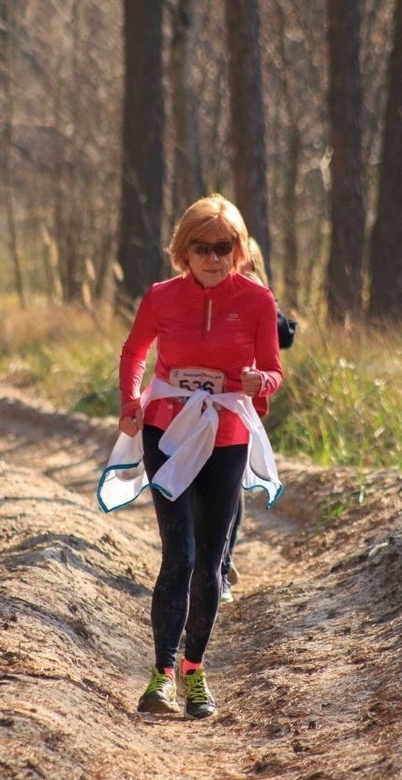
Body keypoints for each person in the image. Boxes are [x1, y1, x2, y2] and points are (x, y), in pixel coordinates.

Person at [96, 194, 283, 719]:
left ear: (238, 250)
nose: (213, 257)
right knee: (178, 555)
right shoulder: (160, 297)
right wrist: (130, 400)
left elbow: (273, 370)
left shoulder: (257, 301)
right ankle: (160, 674)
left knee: (209, 565)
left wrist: (258, 380)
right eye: (201, 247)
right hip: (166, 431)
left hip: (225, 436)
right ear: (183, 251)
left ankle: (194, 673)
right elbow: (135, 353)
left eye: (223, 247)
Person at [220, 238, 297, 603]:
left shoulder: (262, 300)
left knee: (232, 486)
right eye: (236, 267)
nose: (239, 274)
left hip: (248, 411)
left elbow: (284, 336)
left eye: (247, 267)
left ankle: (223, 561)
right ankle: (207, 559)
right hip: (205, 406)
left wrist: (261, 299)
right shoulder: (213, 297)